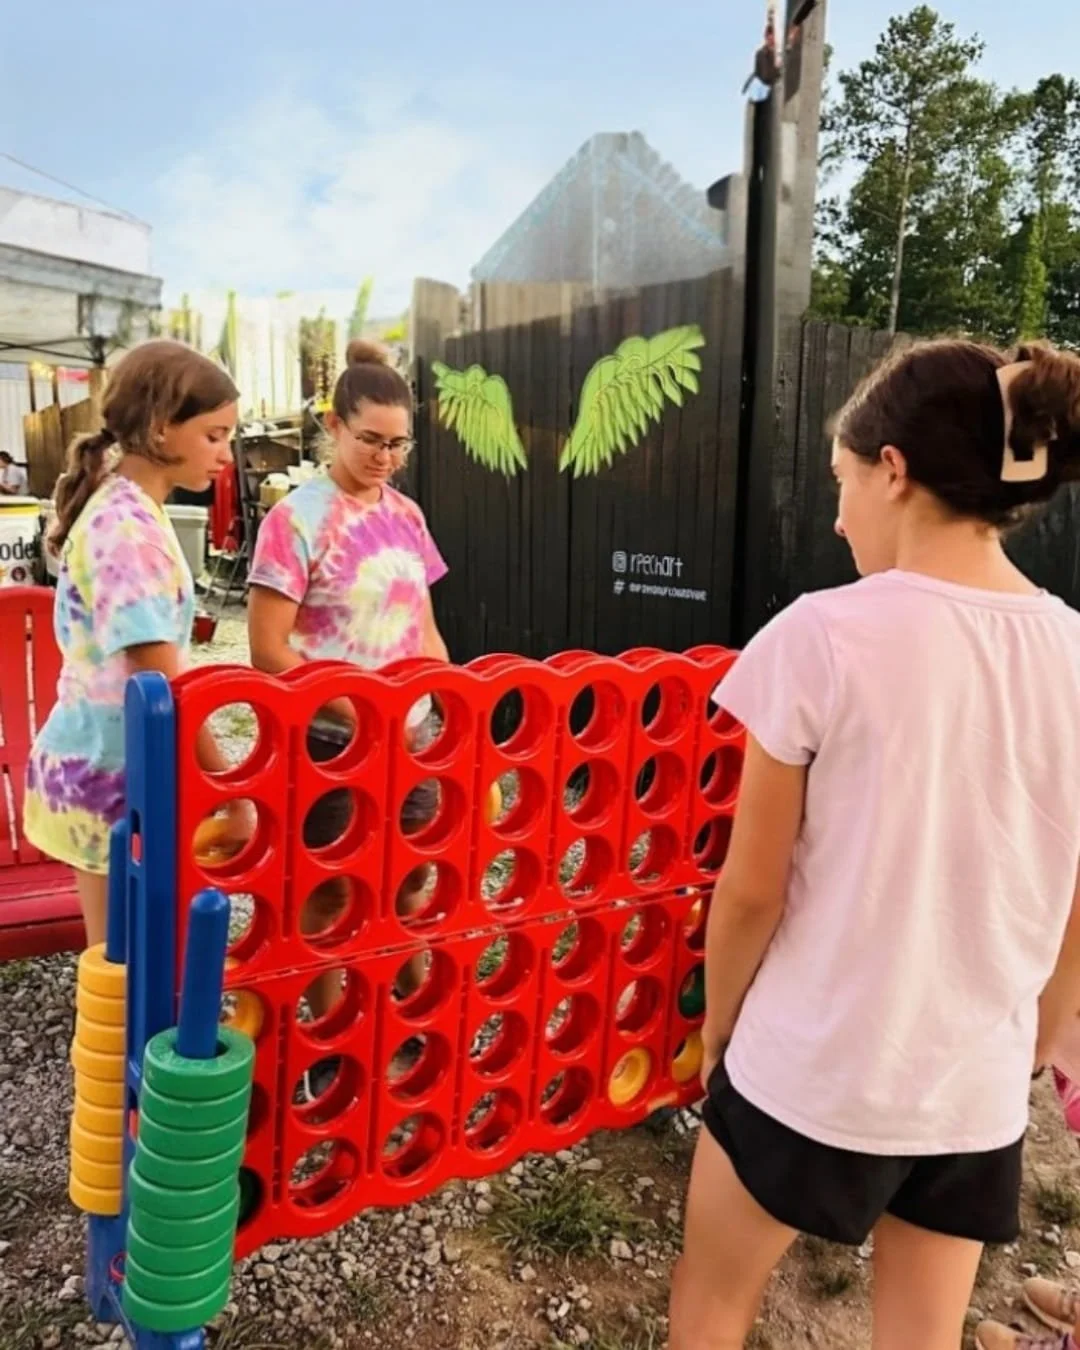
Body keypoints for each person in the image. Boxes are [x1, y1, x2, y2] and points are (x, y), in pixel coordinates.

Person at [668, 339, 1080, 1350]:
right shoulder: (1073, 647)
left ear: (892, 469)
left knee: (713, 1308)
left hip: (810, 1067)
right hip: (972, 1089)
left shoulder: (821, 633)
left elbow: (753, 886)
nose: (839, 511)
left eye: (843, 481)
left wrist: (722, 1028)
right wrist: (1042, 1029)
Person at [247, 338, 449, 1098]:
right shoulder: (295, 519)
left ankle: (407, 1025)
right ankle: (329, 1044)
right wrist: (364, 712)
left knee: (411, 885)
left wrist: (445, 705)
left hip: (413, 733)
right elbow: (269, 649)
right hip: (332, 742)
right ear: (333, 426)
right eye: (371, 439)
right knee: (329, 891)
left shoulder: (407, 515)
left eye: (399, 443)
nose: (386, 456)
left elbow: (424, 630)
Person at [23, 341, 249, 949]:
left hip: (112, 768)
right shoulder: (127, 531)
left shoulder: (132, 509)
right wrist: (227, 784)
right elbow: (162, 684)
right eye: (214, 435)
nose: (227, 456)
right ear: (159, 428)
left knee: (135, 957)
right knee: (119, 967)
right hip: (104, 779)